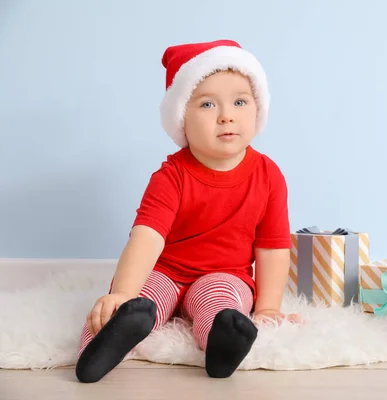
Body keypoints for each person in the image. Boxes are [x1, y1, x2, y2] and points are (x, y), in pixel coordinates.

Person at [75, 39, 300, 383]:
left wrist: (268, 307)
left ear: (258, 110)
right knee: (138, 302)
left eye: (240, 102)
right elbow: (147, 238)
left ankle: (221, 346)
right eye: (208, 104)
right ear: (181, 119)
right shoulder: (172, 176)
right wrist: (122, 292)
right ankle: (98, 349)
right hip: (166, 270)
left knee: (219, 301)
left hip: (224, 274)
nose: (226, 115)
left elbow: (272, 247)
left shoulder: (269, 176)